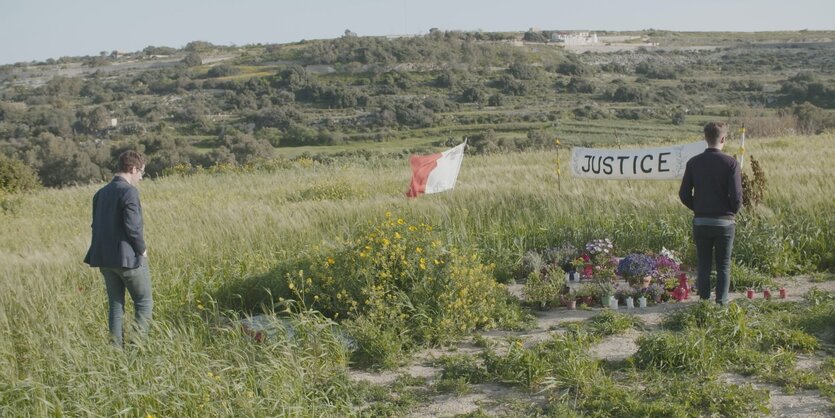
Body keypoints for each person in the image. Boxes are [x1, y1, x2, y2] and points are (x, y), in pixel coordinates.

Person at [84, 150, 152, 347]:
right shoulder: (129, 192)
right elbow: (133, 227)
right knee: (144, 303)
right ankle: (135, 350)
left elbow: (96, 226)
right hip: (128, 259)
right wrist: (142, 249)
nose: (140, 177)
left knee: (115, 305)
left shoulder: (100, 193)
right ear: (132, 169)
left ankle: (115, 351)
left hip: (104, 259)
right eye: (141, 172)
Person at [679, 122, 743, 305]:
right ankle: (721, 303)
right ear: (723, 139)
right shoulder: (731, 163)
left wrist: (699, 208)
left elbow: (684, 195)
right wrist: (731, 212)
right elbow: (737, 196)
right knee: (723, 265)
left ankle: (704, 303)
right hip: (725, 222)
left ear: (705, 138)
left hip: (701, 222)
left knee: (704, 264)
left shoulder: (693, 163)